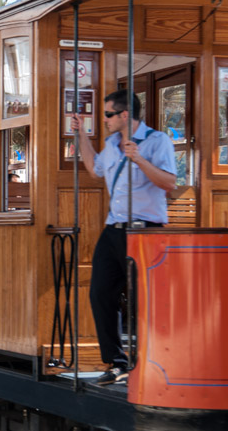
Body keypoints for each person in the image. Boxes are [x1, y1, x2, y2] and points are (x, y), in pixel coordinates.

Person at [71, 89, 176, 386]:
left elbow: (169, 182)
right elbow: (94, 169)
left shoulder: (157, 141)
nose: (104, 120)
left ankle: (151, 360)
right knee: (101, 293)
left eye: (108, 114)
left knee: (146, 299)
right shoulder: (111, 144)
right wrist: (81, 136)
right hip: (114, 228)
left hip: (145, 231)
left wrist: (139, 160)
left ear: (124, 115)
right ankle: (117, 362)